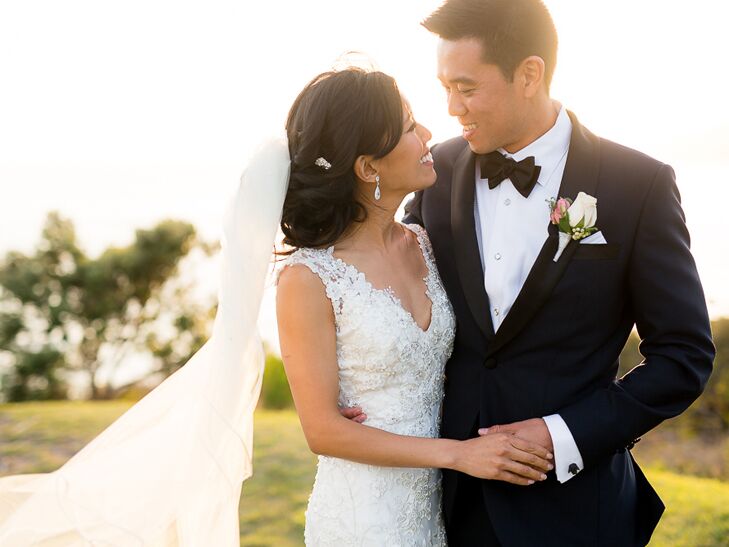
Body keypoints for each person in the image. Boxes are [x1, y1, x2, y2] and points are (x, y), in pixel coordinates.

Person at [400, 0, 716, 545]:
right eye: (444, 86)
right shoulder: (437, 171)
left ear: (529, 74)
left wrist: (561, 436)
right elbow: (397, 290)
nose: (451, 108)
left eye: (467, 87)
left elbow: (684, 355)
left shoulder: (636, 185)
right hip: (446, 503)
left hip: (576, 512)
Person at [275, 67, 554, 546]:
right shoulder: (308, 278)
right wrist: (459, 455)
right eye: (408, 127)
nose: (428, 133)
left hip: (437, 507)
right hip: (364, 515)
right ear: (368, 168)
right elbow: (322, 431)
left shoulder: (426, 243)